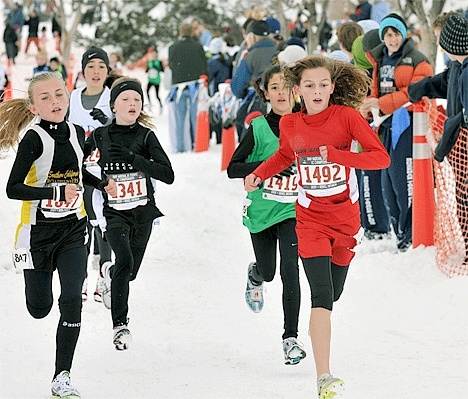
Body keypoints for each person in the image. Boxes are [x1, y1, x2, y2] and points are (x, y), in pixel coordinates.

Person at [243, 55, 390, 398]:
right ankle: (324, 376)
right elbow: (284, 155)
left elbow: (380, 158)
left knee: (333, 294)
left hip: (344, 219)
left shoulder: (347, 117)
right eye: (309, 85)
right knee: (321, 296)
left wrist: (338, 155)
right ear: (298, 91)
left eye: (323, 84)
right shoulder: (291, 124)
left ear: (332, 88)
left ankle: (322, 352)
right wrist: (258, 174)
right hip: (308, 218)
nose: (317, 91)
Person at [2, 71, 115, 398]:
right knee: (39, 308)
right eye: (46, 98)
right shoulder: (34, 139)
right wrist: (55, 191)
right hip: (33, 236)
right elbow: (13, 189)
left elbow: (84, 172)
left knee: (71, 301)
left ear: (68, 97)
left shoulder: (78, 133)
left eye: (59, 95)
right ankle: (34, 282)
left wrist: (102, 181)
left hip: (72, 231)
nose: (55, 102)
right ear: (35, 107)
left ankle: (61, 376)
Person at [85, 77, 175, 349]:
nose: (132, 103)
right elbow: (80, 170)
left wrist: (135, 159)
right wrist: (101, 183)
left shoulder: (146, 136)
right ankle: (120, 326)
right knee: (124, 260)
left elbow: (167, 175)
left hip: (143, 213)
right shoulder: (101, 136)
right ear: (113, 106)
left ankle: (110, 272)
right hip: (114, 214)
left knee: (129, 272)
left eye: (137, 99)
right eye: (125, 99)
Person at [227, 63, 306, 365]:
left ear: (294, 91)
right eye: (274, 87)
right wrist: (268, 165)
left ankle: (291, 338)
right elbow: (234, 167)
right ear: (266, 93)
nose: (281, 93)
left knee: (290, 269)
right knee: (270, 271)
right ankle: (255, 274)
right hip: (261, 210)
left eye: (286, 86)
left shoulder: (303, 124)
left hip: (291, 209)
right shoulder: (258, 127)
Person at [360, 13, 433, 252]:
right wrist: (370, 106)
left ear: (403, 35)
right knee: (387, 183)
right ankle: (399, 232)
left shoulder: (417, 59)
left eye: (396, 34)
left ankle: (410, 234)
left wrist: (380, 104)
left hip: (408, 124)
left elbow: (414, 91)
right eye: (387, 35)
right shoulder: (380, 60)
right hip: (386, 126)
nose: (392, 39)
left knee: (405, 182)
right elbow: (375, 89)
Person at [68, 47, 115, 302]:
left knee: (103, 224)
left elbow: (124, 130)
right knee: (82, 225)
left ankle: (104, 277)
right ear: (83, 71)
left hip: (106, 173)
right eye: (91, 66)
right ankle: (81, 279)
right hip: (78, 172)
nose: (96, 71)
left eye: (101, 66)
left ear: (107, 71)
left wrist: (107, 123)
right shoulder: (72, 98)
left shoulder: (113, 98)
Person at [168, 22, 208, 152]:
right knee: (194, 118)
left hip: (179, 86)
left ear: (180, 32)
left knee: (179, 119)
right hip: (195, 86)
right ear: (192, 32)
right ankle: (197, 144)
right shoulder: (198, 47)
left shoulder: (173, 47)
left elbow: (171, 65)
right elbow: (204, 65)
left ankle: (180, 147)